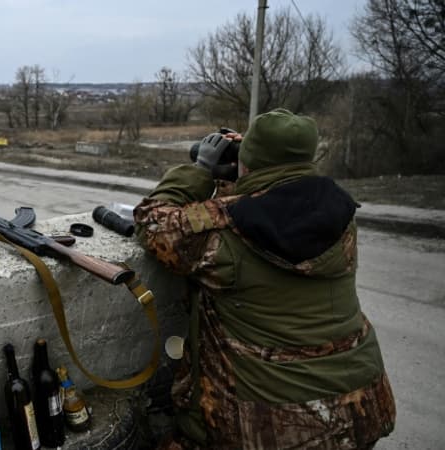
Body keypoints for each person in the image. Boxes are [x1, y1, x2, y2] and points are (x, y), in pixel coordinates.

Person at [133, 108, 395, 449]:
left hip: (273, 427)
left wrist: (200, 171)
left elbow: (152, 222)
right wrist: (247, 172)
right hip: (360, 408)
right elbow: (274, 203)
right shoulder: (340, 212)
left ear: (249, 162)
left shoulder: (225, 230)